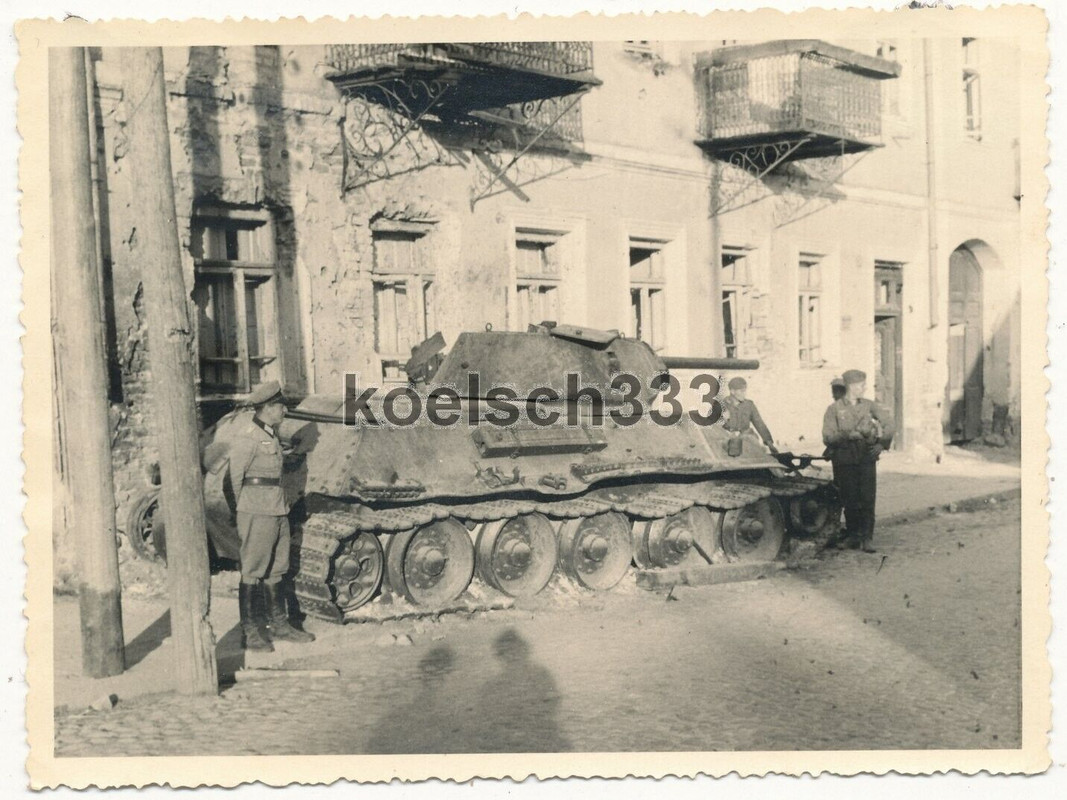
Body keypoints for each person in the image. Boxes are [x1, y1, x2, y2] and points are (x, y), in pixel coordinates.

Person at [228, 380, 315, 651]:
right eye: (280, 407)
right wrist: (242, 512)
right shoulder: (248, 437)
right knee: (253, 570)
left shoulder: (271, 435)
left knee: (277, 568)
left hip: (277, 509)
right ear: (267, 407)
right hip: (256, 511)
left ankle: (279, 625)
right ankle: (250, 631)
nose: (284, 412)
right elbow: (233, 479)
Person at [821, 369, 894, 553]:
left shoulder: (869, 406)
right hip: (844, 460)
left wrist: (882, 444)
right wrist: (847, 435)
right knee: (849, 500)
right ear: (852, 387)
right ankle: (854, 536)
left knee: (867, 500)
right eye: (862, 385)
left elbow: (889, 423)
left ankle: (867, 538)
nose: (864, 388)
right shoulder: (834, 409)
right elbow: (828, 436)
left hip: (865, 459)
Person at [721, 376, 776, 451]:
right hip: (728, 440)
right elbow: (713, 427)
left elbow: (759, 423)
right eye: (741, 391)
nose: (744, 394)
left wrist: (769, 442)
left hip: (747, 439)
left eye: (745, 391)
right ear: (732, 391)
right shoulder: (721, 406)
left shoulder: (749, 405)